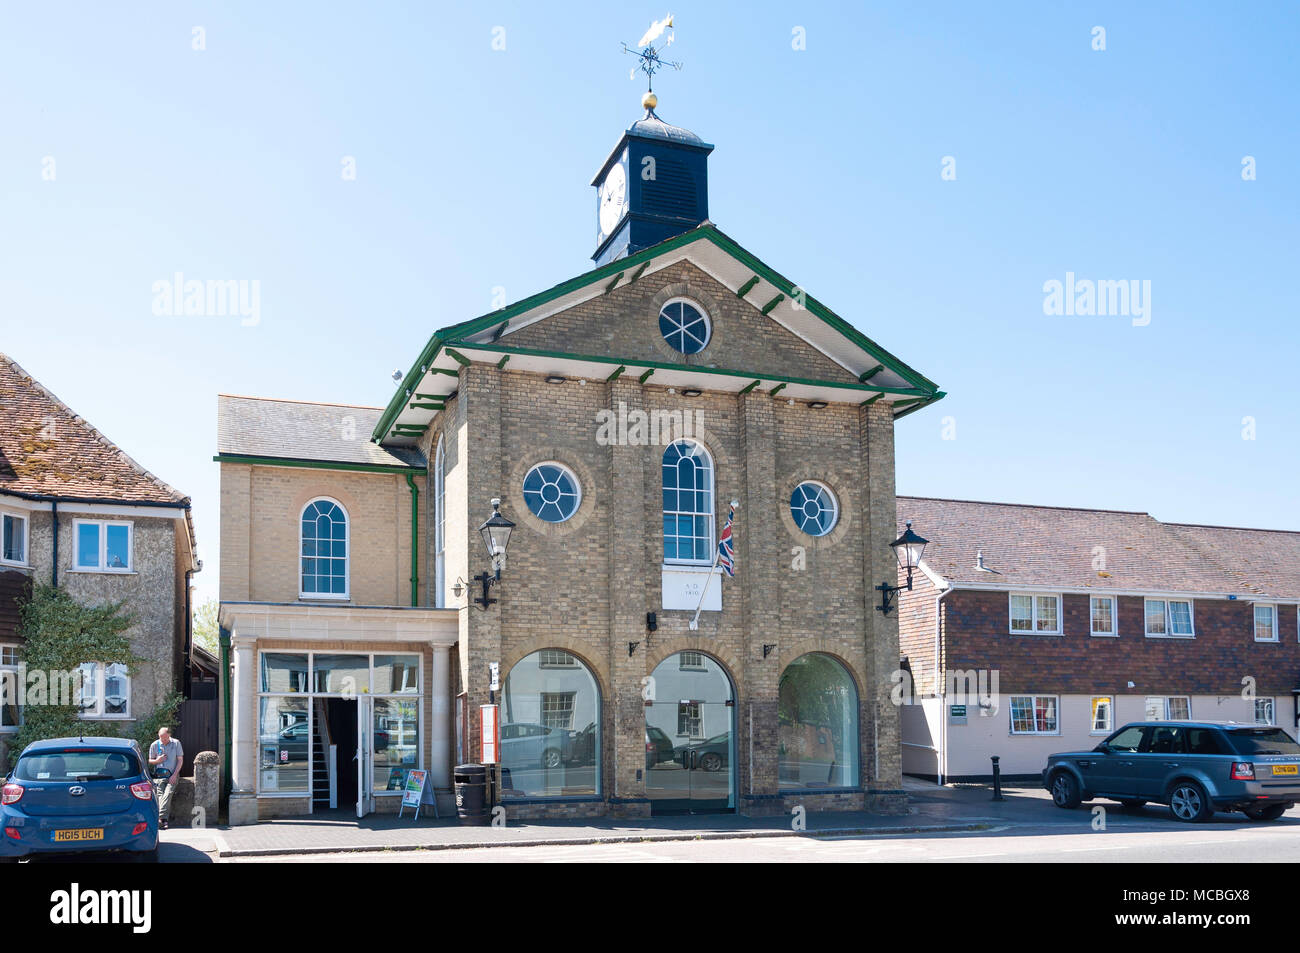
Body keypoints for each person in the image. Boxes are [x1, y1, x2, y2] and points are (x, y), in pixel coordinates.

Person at [148, 726, 184, 830]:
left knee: (167, 794)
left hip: (172, 774)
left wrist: (174, 775)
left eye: (164, 738)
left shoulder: (176, 743)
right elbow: (150, 761)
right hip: (160, 776)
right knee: (160, 796)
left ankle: (158, 817)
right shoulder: (155, 745)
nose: (162, 740)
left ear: (169, 735)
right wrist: (157, 760)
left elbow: (180, 760)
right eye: (160, 737)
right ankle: (164, 820)